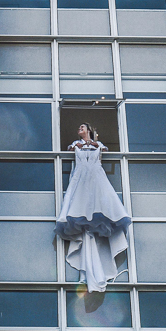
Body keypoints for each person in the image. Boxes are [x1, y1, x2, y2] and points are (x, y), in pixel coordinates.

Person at [55, 123, 131, 292]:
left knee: (95, 217)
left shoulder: (99, 145)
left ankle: (92, 273)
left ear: (89, 129)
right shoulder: (76, 144)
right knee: (82, 218)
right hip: (80, 181)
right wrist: (83, 145)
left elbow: (104, 152)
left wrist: (95, 144)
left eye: (82, 127)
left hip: (96, 181)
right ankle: (86, 273)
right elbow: (70, 150)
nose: (79, 129)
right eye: (78, 127)